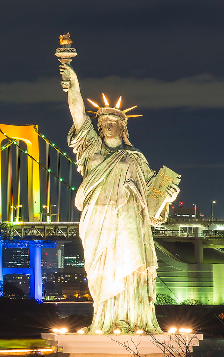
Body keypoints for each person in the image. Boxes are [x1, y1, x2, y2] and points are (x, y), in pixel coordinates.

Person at [59, 61, 179, 334]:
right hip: (98, 220)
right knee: (102, 270)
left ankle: (134, 319)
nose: (106, 126)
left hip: (129, 221)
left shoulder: (135, 158)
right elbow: (78, 114)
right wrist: (74, 84)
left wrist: (168, 196)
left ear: (123, 127)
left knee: (132, 268)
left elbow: (152, 200)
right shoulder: (91, 150)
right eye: (102, 123)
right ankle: (105, 319)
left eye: (112, 122)